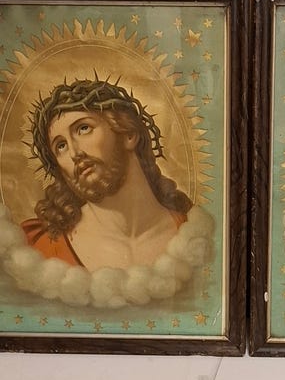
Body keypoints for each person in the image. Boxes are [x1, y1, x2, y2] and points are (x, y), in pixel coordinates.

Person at [22, 77, 193, 272]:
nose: (74, 153)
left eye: (83, 128)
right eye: (61, 146)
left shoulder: (195, 234)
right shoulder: (39, 250)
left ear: (129, 133)